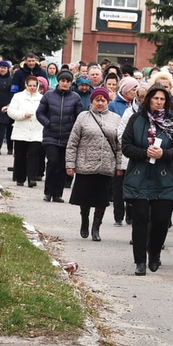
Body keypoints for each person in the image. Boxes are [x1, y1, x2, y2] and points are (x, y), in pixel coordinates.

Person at [121, 83, 173, 275]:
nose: (159, 102)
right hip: (139, 176)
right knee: (140, 219)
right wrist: (144, 152)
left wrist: (163, 154)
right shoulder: (136, 119)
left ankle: (154, 254)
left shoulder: (172, 122)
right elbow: (125, 146)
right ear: (148, 99)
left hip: (164, 178)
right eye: (156, 98)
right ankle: (140, 261)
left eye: (162, 99)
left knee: (161, 220)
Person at [65, 87, 122, 243]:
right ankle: (85, 219)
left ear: (108, 102)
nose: (100, 103)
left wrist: (119, 166)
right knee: (85, 198)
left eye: (103, 100)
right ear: (92, 101)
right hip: (85, 165)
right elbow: (73, 142)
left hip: (106, 166)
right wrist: (70, 164)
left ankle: (96, 227)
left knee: (102, 200)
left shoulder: (116, 118)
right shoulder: (83, 117)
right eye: (97, 100)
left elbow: (119, 146)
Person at [36, 70, 83, 203]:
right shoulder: (48, 95)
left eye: (68, 81)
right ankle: (48, 192)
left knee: (62, 164)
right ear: (59, 81)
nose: (65, 83)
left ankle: (57, 193)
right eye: (63, 80)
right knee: (53, 161)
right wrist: (48, 124)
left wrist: (73, 129)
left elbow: (79, 116)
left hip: (67, 137)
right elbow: (40, 113)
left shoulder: (75, 97)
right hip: (51, 135)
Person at [7, 75, 45, 188]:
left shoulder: (42, 98)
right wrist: (23, 115)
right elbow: (11, 111)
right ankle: (20, 178)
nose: (32, 88)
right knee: (20, 156)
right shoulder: (18, 97)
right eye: (30, 85)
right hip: (21, 130)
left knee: (34, 155)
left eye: (34, 85)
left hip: (36, 130)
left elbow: (45, 112)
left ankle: (32, 178)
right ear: (26, 85)